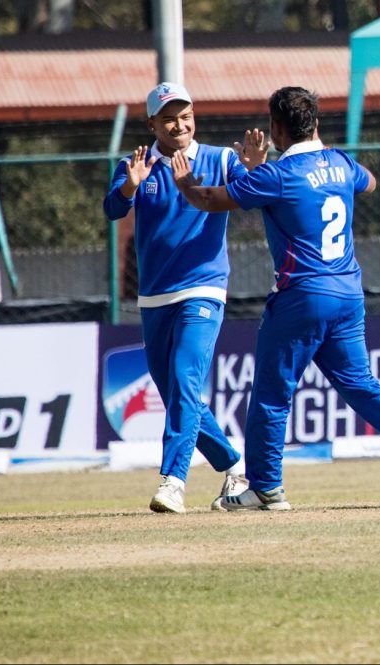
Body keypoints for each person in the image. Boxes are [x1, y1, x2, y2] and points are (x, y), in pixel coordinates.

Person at [172, 86, 380, 511]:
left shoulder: (277, 175)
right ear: (316, 123)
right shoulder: (340, 163)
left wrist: (187, 181)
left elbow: (211, 199)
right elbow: (369, 182)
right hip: (348, 294)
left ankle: (266, 490)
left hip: (302, 295)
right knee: (360, 385)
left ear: (276, 129)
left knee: (269, 393)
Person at [103, 83, 254, 514]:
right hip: (154, 297)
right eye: (168, 117)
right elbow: (112, 210)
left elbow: (249, 194)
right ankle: (233, 464)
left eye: (185, 115)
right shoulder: (136, 163)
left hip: (204, 288)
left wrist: (256, 168)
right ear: (152, 123)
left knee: (187, 379)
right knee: (176, 394)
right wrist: (129, 188)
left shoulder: (222, 159)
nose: (179, 124)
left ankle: (173, 481)